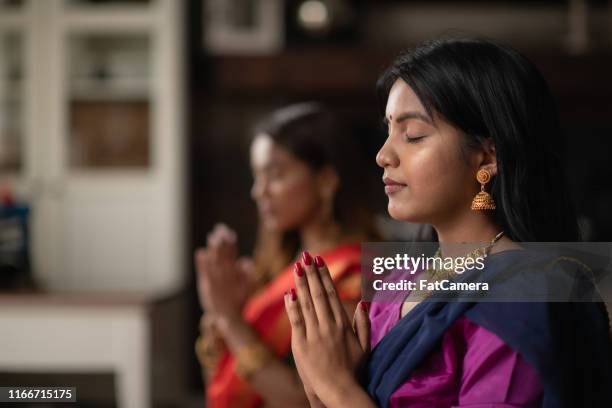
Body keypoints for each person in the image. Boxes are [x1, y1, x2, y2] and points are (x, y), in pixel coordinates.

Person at [283, 39, 612, 407]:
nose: (383, 155)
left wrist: (336, 388)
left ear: (487, 156)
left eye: (413, 136)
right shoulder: (396, 285)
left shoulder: (521, 300)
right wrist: (321, 385)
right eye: (388, 131)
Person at [194, 102, 379, 408]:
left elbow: (304, 397)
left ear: (326, 180)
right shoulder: (278, 268)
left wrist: (229, 320)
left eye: (275, 175)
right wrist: (226, 317)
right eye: (257, 176)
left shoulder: (354, 274)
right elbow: (223, 386)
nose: (259, 191)